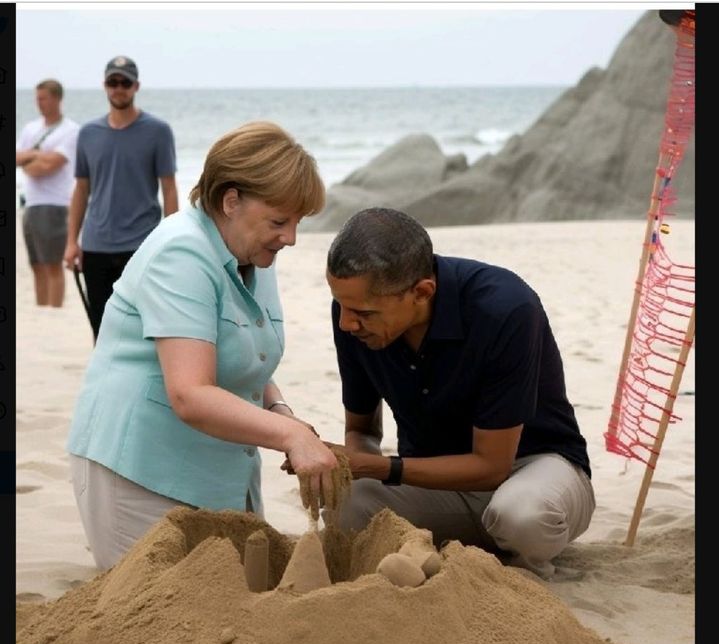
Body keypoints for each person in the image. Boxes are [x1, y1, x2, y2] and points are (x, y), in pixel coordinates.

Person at [66, 121, 339, 571]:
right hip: (140, 470)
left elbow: (244, 351)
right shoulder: (182, 254)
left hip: (219, 470)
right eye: (279, 221)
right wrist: (290, 437)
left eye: (297, 223)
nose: (290, 237)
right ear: (231, 200)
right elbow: (190, 394)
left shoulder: (252, 251)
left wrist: (282, 413)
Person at [324, 207, 595, 580]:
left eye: (361, 312)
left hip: (535, 470)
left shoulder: (505, 308)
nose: (345, 323)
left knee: (521, 515)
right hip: (432, 483)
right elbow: (363, 432)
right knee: (344, 505)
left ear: (422, 292)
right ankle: (457, 552)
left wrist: (378, 467)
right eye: (340, 305)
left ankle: (520, 569)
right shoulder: (354, 318)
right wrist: (345, 466)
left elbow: (492, 466)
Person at [64, 56, 179, 341]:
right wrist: (71, 242)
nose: (119, 88)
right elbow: (81, 189)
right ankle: (105, 386)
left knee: (144, 330)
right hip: (96, 246)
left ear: (136, 86)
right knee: (101, 331)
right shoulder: (88, 133)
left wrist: (172, 239)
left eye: (125, 82)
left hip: (142, 245)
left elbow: (170, 188)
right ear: (104, 85)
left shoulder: (158, 131)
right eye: (113, 82)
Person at [16, 79, 79, 308]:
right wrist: (36, 159)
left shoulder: (70, 130)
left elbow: (52, 164)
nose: (39, 103)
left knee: (53, 264)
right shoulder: (31, 128)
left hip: (54, 203)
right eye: (37, 98)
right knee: (36, 264)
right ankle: (42, 308)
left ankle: (55, 309)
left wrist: (30, 158)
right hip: (30, 203)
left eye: (43, 98)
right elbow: (18, 159)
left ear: (57, 99)